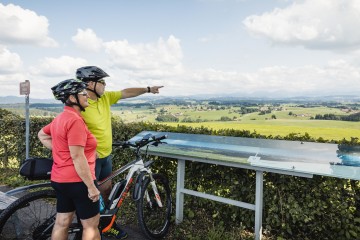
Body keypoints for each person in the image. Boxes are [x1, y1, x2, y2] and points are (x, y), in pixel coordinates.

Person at [76, 66, 163, 239]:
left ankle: (108, 226)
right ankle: (86, 231)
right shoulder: (81, 103)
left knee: (106, 192)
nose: (105, 85)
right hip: (90, 159)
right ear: (91, 84)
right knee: (89, 198)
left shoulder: (105, 98)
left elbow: (126, 93)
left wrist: (147, 89)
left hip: (105, 156)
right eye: (102, 82)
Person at [38, 79, 101, 240]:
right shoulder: (75, 121)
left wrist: (61, 150)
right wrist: (91, 187)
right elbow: (77, 156)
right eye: (83, 93)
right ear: (73, 98)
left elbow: (42, 134)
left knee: (62, 222)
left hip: (60, 179)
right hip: (78, 181)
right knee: (91, 227)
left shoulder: (60, 118)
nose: (87, 95)